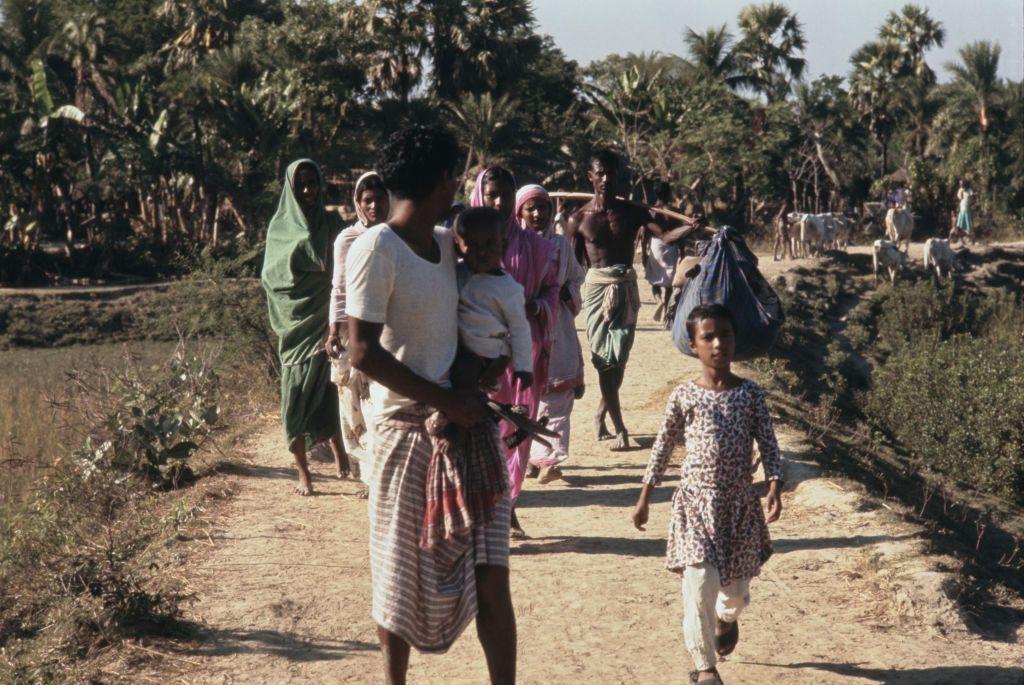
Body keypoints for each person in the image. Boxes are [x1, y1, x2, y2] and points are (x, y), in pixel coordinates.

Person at [345, 126, 516, 684]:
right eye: (455, 176)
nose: (459, 186)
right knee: (397, 577)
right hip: (404, 433)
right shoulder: (376, 248)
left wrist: (488, 367)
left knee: (493, 574)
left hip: (468, 428)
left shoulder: (448, 244)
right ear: (441, 179)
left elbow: (480, 311)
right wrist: (445, 399)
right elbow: (363, 352)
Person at [631, 304, 783, 685]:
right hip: (695, 504)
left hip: (738, 506)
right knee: (698, 583)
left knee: (733, 595)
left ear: (736, 341)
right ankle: (705, 667)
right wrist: (646, 495)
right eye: (708, 337)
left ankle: (726, 619)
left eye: (725, 335)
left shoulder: (750, 394)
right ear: (693, 346)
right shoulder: (684, 395)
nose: (718, 344)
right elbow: (663, 445)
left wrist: (774, 484)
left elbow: (768, 442)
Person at [569, 149, 701, 450]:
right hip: (597, 290)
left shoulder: (633, 213)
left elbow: (666, 237)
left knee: (620, 358)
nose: (606, 179)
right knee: (605, 361)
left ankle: (603, 411)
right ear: (590, 177)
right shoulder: (578, 219)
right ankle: (620, 428)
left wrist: (690, 227)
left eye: (611, 173)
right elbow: (571, 265)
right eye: (600, 173)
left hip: (627, 288)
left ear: (619, 176)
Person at [471, 166, 559, 536]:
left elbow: (552, 291)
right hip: (478, 357)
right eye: (491, 194)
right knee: (483, 430)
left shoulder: (536, 247)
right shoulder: (465, 245)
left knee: (518, 430)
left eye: (505, 194)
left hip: (524, 353)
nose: (498, 202)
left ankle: (509, 503)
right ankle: (486, 509)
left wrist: (536, 308)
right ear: (479, 195)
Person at [261, 159, 350, 496]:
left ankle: (341, 451)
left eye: (314, 183)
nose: (309, 191)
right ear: (291, 189)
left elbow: (344, 270)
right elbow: (273, 280)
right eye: (302, 185)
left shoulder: (332, 223)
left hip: (330, 320)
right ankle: (303, 472)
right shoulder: (279, 229)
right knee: (295, 396)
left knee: (333, 389)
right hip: (296, 327)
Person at [516, 184, 585, 485]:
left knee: (557, 396)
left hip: (558, 327)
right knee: (527, 396)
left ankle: (551, 459)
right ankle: (530, 455)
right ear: (519, 211)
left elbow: (574, 279)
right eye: (530, 208)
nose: (537, 213)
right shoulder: (513, 244)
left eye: (542, 207)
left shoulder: (561, 244)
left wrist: (561, 295)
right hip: (524, 328)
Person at [326, 172, 390, 485]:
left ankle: (382, 472)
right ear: (358, 203)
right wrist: (333, 332)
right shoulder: (347, 239)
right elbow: (339, 289)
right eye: (368, 200)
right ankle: (366, 474)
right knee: (353, 405)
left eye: (380, 198)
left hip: (389, 329)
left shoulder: (397, 236)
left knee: (381, 402)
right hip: (353, 328)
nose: (375, 205)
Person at [453, 206, 534, 395]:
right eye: (473, 245)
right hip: (461, 346)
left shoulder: (508, 288)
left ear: (503, 246)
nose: (482, 252)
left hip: (487, 351)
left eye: (490, 244)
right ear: (460, 247)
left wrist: (523, 367)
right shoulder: (457, 271)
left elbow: (520, 328)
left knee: (463, 376)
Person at [643, 182, 682, 324]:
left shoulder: (651, 211)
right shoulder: (674, 211)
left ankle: (658, 300)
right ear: (669, 193)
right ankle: (666, 312)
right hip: (671, 247)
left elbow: (645, 234)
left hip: (656, 245)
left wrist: (643, 253)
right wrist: (682, 252)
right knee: (669, 283)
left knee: (654, 280)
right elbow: (679, 235)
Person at [950, 179, 975, 245]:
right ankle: (961, 240)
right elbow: (960, 199)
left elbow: (974, 199)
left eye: (962, 183)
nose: (961, 185)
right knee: (959, 226)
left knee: (968, 226)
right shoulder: (960, 190)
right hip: (962, 209)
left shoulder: (970, 190)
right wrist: (961, 192)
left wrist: (971, 205)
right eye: (960, 184)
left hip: (967, 209)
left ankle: (971, 239)